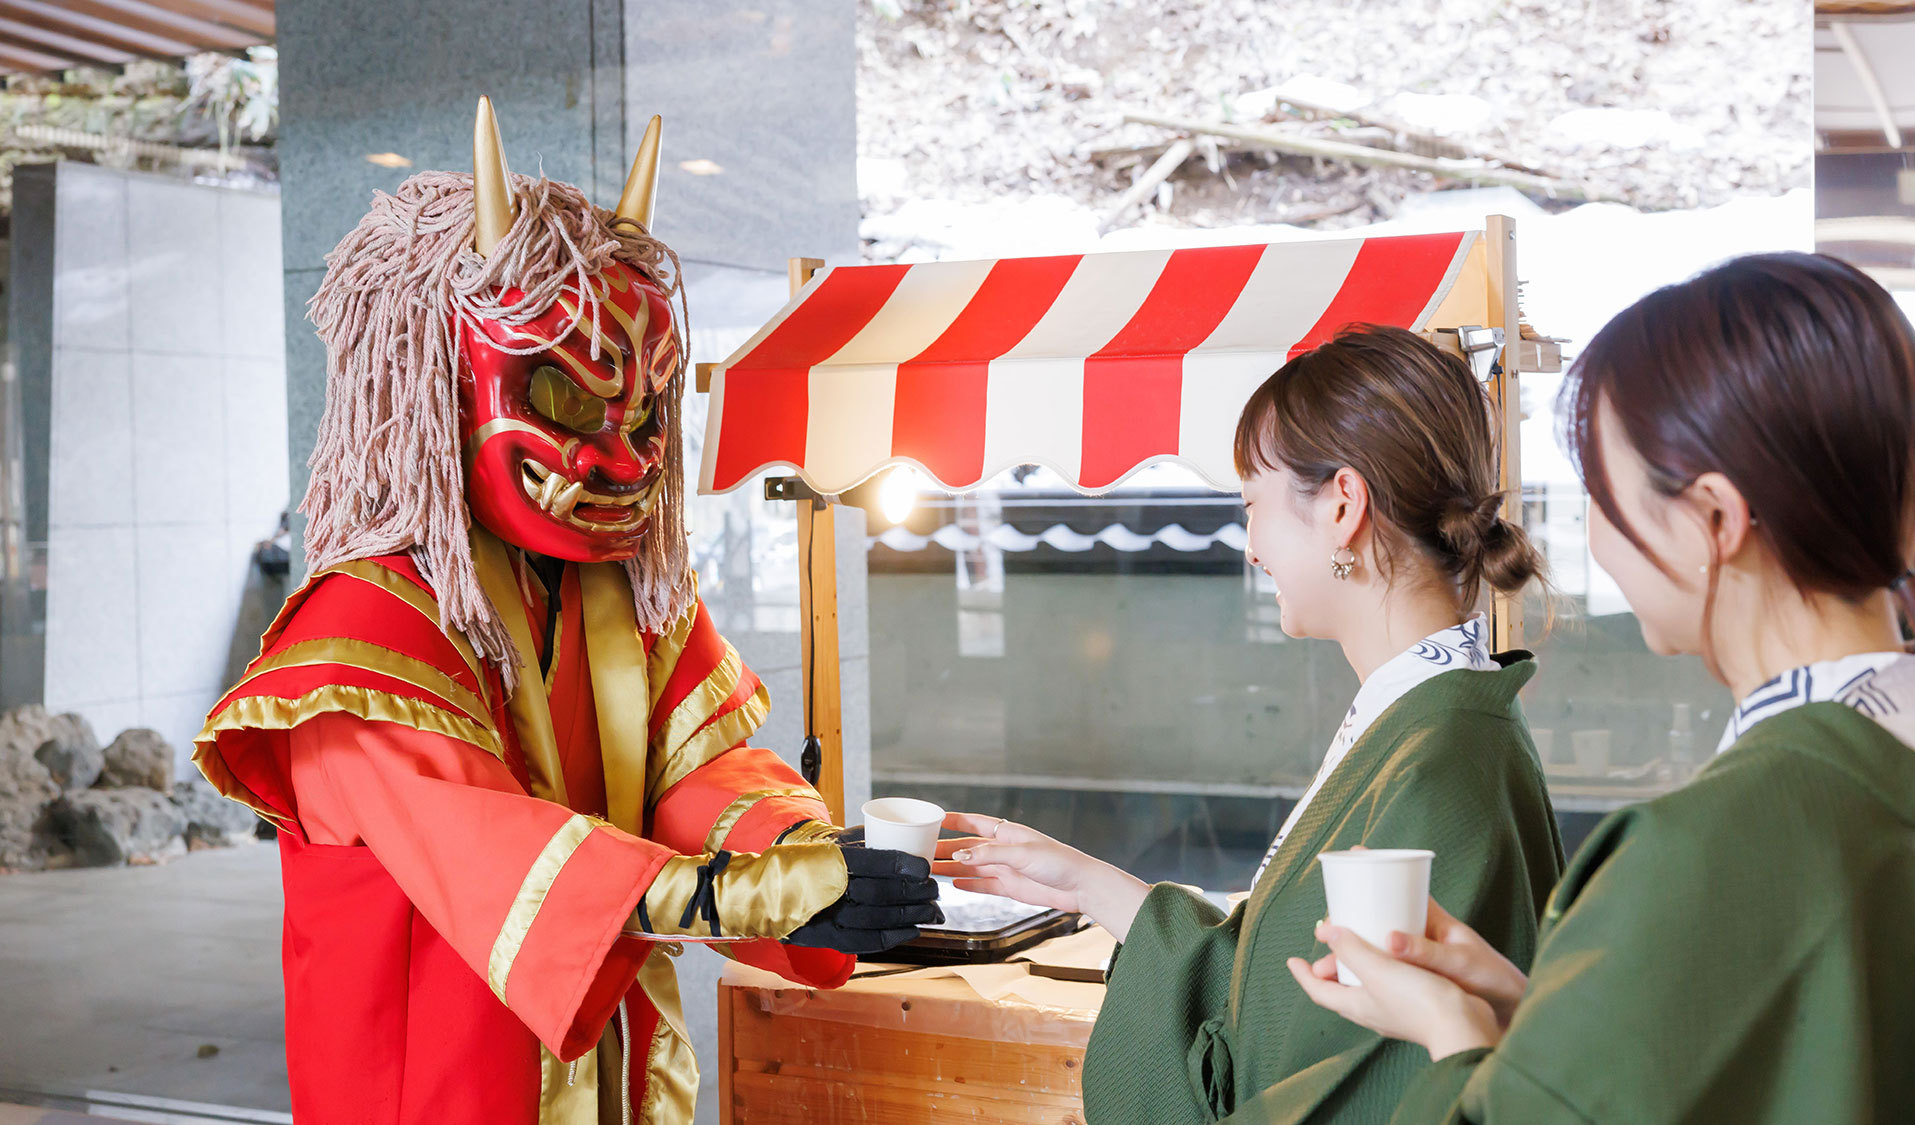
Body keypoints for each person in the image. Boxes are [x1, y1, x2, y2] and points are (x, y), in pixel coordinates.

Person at [192, 100, 938, 1125]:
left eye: (644, 410)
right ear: (433, 390)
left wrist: (807, 857)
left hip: (612, 1086)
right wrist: (761, 893)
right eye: (567, 401)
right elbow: (496, 852)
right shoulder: (360, 637)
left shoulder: (616, 598)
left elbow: (703, 774)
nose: (628, 458)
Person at [1290, 253, 1915, 1125]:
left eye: (1602, 492)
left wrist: (1452, 1036)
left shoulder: (1714, 844)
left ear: (1712, 519)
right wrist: (1541, 1015)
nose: (1595, 534)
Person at [937, 325, 1565, 1123]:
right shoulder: (1425, 723)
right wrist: (1087, 882)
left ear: (1342, 506)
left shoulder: (1438, 765)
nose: (1252, 545)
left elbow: (1343, 1082)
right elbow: (1279, 994)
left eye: (1252, 504)